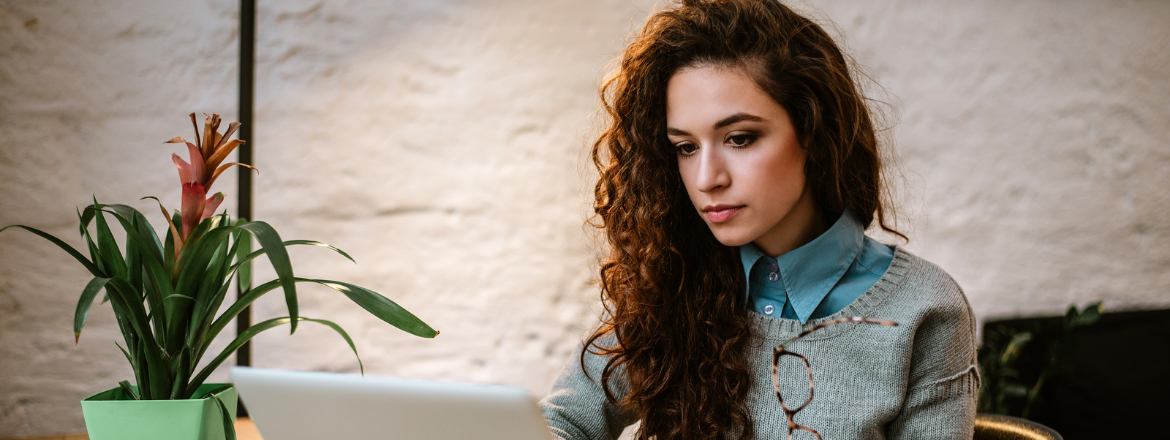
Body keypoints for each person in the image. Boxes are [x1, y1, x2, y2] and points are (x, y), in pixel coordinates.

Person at [540, 0, 979, 439]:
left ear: (811, 131)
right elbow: (560, 422)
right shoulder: (674, 281)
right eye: (686, 147)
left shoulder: (924, 309)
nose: (707, 179)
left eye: (740, 138)